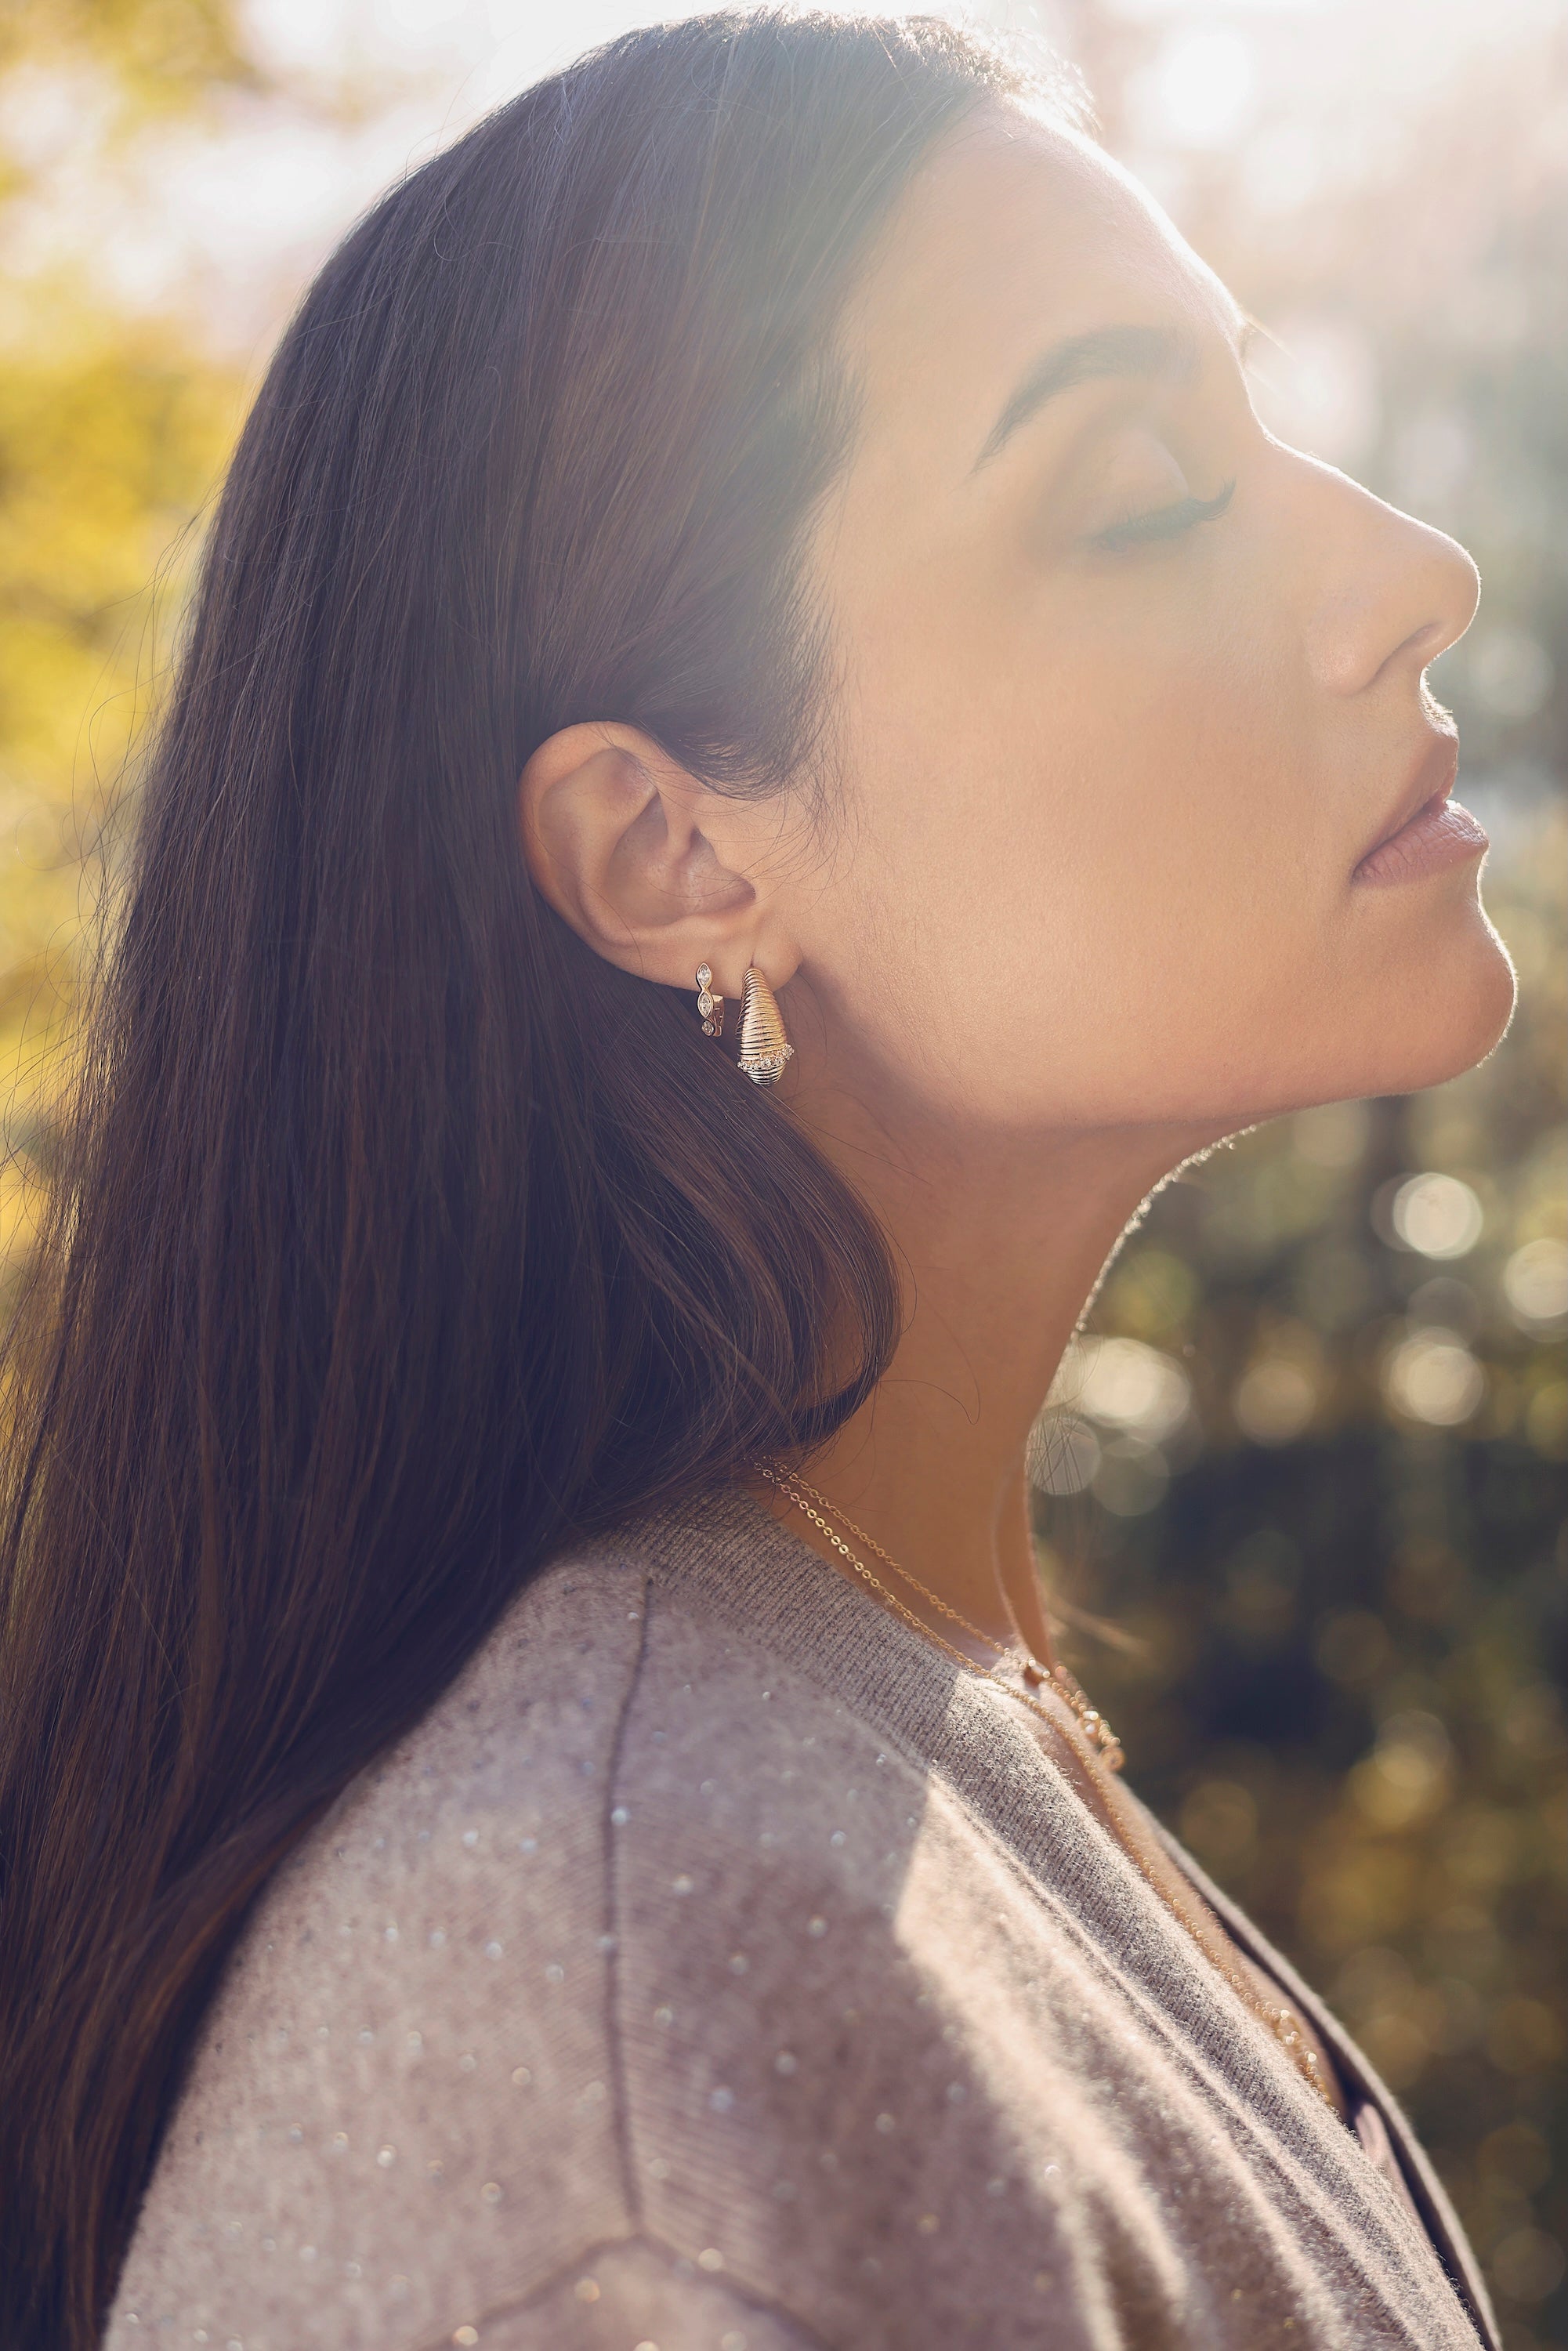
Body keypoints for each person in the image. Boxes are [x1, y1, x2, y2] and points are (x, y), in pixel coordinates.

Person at [0, 11, 1515, 2348]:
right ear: (672, 850)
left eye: (1265, 416)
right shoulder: (609, 2032)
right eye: (1138, 488)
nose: (1410, 575)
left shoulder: (878, 1732)